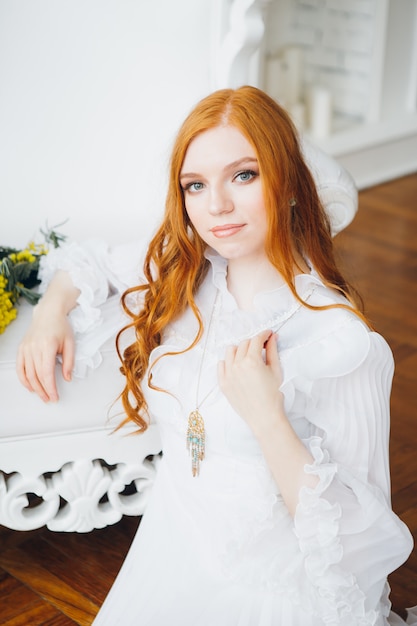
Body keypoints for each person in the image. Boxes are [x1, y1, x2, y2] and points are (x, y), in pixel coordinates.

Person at [17, 86, 415, 625]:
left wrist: (268, 419)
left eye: (244, 175)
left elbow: (351, 547)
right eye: (195, 185)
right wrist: (49, 316)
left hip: (270, 593)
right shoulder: (191, 270)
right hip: (171, 551)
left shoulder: (338, 342)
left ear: (289, 184)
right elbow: (91, 262)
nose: (217, 206)